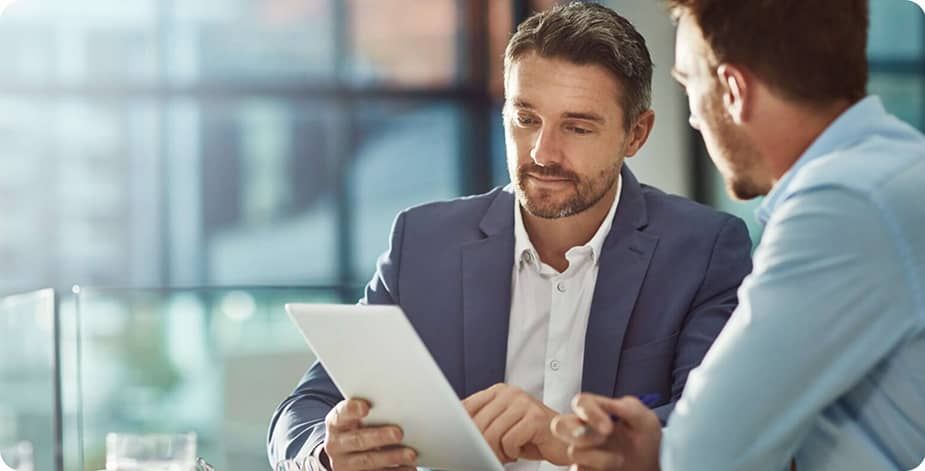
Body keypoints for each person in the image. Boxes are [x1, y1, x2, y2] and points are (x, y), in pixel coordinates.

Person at [268, 3, 753, 470]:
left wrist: (564, 437)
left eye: (577, 127)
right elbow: (303, 411)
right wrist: (328, 453)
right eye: (525, 119)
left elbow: (716, 433)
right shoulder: (423, 242)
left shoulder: (705, 250)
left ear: (636, 134)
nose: (543, 152)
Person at [550, 1, 925, 470]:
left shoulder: (842, 201)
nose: (692, 118)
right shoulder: (894, 169)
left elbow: (703, 455)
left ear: (732, 90)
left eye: (689, 84)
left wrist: (666, 449)